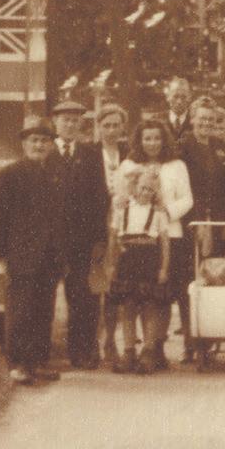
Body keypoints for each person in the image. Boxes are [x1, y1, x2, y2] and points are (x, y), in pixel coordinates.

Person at [0, 117, 64, 386]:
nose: (39, 145)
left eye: (44, 141)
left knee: (44, 311)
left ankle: (38, 363)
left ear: (51, 145)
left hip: (49, 258)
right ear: (24, 144)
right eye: (34, 140)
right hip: (20, 257)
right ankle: (18, 365)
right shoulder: (10, 174)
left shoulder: (53, 174)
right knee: (20, 312)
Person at [117, 119, 193, 369]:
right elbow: (120, 198)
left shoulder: (177, 165)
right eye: (147, 138)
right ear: (139, 141)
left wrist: (165, 211)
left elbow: (187, 199)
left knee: (161, 295)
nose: (152, 143)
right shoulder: (129, 165)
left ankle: (156, 347)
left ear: (164, 140)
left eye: (157, 138)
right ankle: (133, 349)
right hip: (136, 238)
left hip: (169, 234)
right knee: (133, 297)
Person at [48, 99, 109, 369]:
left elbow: (100, 198)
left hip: (82, 241)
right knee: (44, 297)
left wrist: (100, 240)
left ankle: (82, 352)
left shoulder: (91, 154)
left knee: (84, 298)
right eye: (66, 120)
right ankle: (41, 354)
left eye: (75, 121)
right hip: (50, 241)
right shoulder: (45, 152)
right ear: (55, 122)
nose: (70, 125)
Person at [107, 169, 170, 374]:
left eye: (151, 190)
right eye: (143, 188)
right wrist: (111, 265)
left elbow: (165, 244)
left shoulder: (159, 213)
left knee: (150, 307)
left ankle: (148, 352)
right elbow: (113, 239)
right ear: (134, 187)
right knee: (128, 307)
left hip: (149, 261)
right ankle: (129, 351)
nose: (146, 193)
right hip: (127, 261)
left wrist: (163, 268)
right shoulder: (122, 210)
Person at [92, 102, 129, 366]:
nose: (112, 130)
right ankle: (94, 342)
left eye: (116, 125)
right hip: (97, 228)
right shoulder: (89, 153)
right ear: (99, 127)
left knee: (116, 287)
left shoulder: (129, 152)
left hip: (123, 226)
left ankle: (111, 342)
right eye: (107, 125)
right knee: (97, 287)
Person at [180, 98, 225, 259]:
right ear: (192, 119)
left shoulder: (219, 144)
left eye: (211, 119)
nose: (207, 123)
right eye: (202, 118)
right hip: (191, 218)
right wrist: (199, 218)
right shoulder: (182, 146)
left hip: (217, 218)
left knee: (215, 263)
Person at [164, 77, 193, 142]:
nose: (179, 102)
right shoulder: (158, 121)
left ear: (190, 97)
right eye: (175, 96)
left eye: (183, 97)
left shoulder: (195, 121)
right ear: (168, 96)